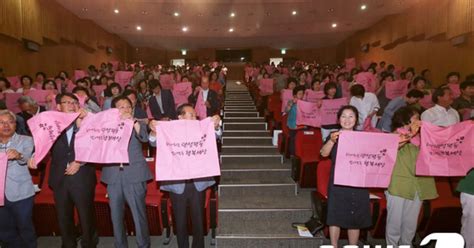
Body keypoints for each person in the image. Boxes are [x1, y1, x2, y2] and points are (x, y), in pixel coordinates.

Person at [148, 103, 221, 248]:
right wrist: (154, 131)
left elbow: (217, 135)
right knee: (180, 222)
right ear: (180, 117)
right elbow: (153, 142)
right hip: (177, 184)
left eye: (195, 115)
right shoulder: (171, 130)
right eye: (191, 115)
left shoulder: (200, 128)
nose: (195, 117)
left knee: (198, 221)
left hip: (197, 183)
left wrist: (217, 126)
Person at [41, 93, 98, 248]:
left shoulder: (86, 122)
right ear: (58, 106)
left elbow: (95, 147)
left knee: (86, 216)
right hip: (59, 178)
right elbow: (40, 146)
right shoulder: (50, 125)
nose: (72, 105)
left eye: (74, 102)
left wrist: (79, 161)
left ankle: (89, 244)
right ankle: (68, 244)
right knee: (63, 217)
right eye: (68, 103)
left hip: (82, 177)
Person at [101, 96, 152, 248]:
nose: (126, 109)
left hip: (134, 175)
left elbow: (144, 138)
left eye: (128, 106)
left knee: (139, 215)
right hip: (113, 176)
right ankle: (120, 245)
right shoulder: (106, 127)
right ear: (114, 110)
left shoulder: (136, 123)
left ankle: (143, 245)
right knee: (116, 217)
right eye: (121, 107)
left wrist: (134, 121)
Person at [385, 107, 438, 246]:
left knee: (410, 222)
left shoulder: (422, 138)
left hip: (417, 184)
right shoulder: (394, 135)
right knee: (394, 222)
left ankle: (406, 244)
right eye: (415, 117)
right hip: (398, 184)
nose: (419, 121)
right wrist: (411, 134)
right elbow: (391, 148)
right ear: (405, 119)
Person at [320, 105, 371, 247]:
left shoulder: (364, 137)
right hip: (338, 182)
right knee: (335, 215)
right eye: (343, 116)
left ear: (356, 119)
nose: (347, 120)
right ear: (338, 119)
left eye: (351, 116)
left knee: (355, 216)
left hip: (358, 182)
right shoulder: (333, 135)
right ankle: (334, 245)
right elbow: (323, 153)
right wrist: (331, 140)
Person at [0, 110, 36, 248]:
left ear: (15, 124)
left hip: (21, 194)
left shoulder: (26, 140)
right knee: (4, 231)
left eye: (10, 122)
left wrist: (18, 155)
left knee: (25, 228)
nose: (6, 125)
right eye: (2, 122)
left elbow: (27, 158)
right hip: (0, 195)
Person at [285, 86, 306, 156]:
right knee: (293, 141)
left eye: (302, 94)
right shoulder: (291, 102)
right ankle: (293, 155)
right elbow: (286, 111)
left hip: (303, 125)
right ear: (295, 95)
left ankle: (301, 154)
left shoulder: (305, 103)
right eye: (299, 94)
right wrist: (291, 104)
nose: (301, 95)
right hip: (293, 125)